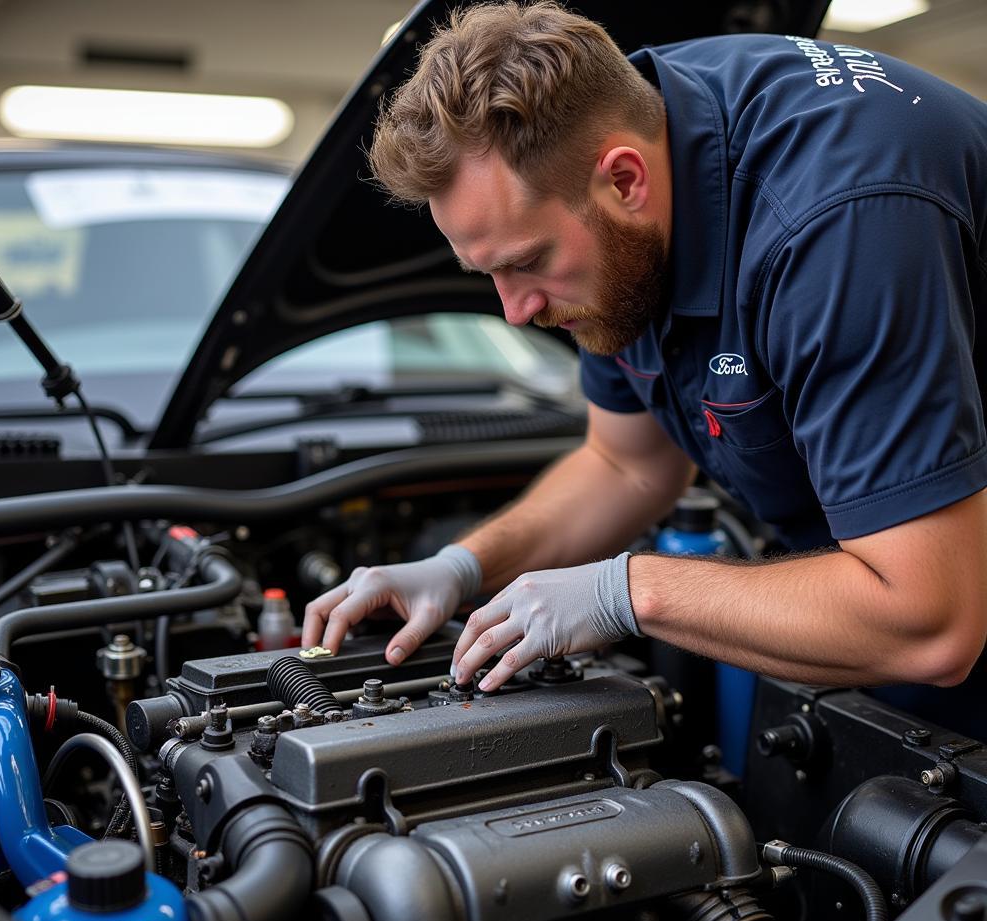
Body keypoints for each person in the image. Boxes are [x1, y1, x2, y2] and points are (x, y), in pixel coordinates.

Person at [302, 1, 987, 714]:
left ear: (624, 180)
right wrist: (460, 567)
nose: (515, 309)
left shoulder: (840, 229)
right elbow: (625, 464)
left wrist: (624, 592)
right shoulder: (631, 139)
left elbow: (929, 623)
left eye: (530, 261)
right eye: (490, 275)